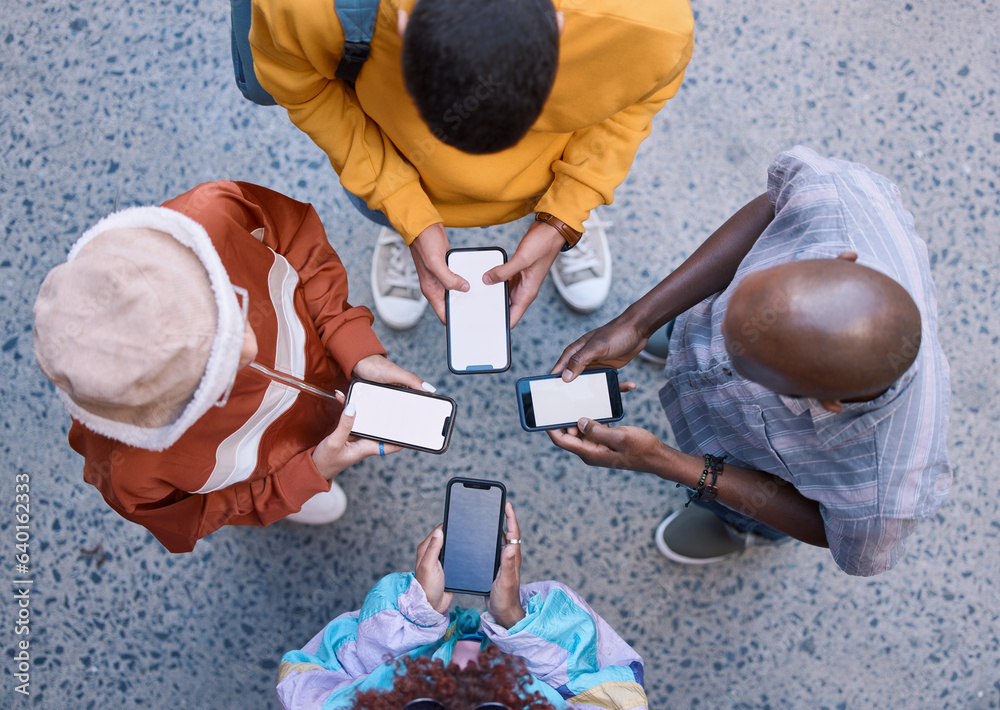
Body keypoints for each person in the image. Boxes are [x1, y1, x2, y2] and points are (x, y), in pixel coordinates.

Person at [546, 146, 952, 577]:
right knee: (695, 332)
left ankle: (739, 528)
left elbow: (832, 531)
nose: (716, 351)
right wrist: (640, 321)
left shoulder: (882, 490)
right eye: (736, 305)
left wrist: (666, 462)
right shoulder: (839, 206)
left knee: (745, 509)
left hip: (757, 469)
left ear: (828, 403)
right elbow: (775, 204)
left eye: (743, 362)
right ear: (838, 259)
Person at [33, 181, 433, 553]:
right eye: (213, 379)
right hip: (267, 469)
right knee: (301, 477)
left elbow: (296, 239)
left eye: (229, 312)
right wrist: (301, 477)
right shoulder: (128, 476)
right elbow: (201, 515)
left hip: (328, 376)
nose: (248, 349)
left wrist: (351, 344)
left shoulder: (214, 215)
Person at [249, 0, 695, 329]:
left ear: (562, 27)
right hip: (397, 157)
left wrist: (566, 209)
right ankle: (393, 223)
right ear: (401, 26)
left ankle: (573, 220)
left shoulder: (651, 26)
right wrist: (400, 202)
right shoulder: (306, 8)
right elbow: (303, 86)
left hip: (532, 168)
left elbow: (635, 100)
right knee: (377, 201)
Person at [276, 504, 648, 708]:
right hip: (524, 663)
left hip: (410, 657)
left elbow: (315, 672)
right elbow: (608, 690)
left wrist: (413, 615)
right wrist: (516, 621)